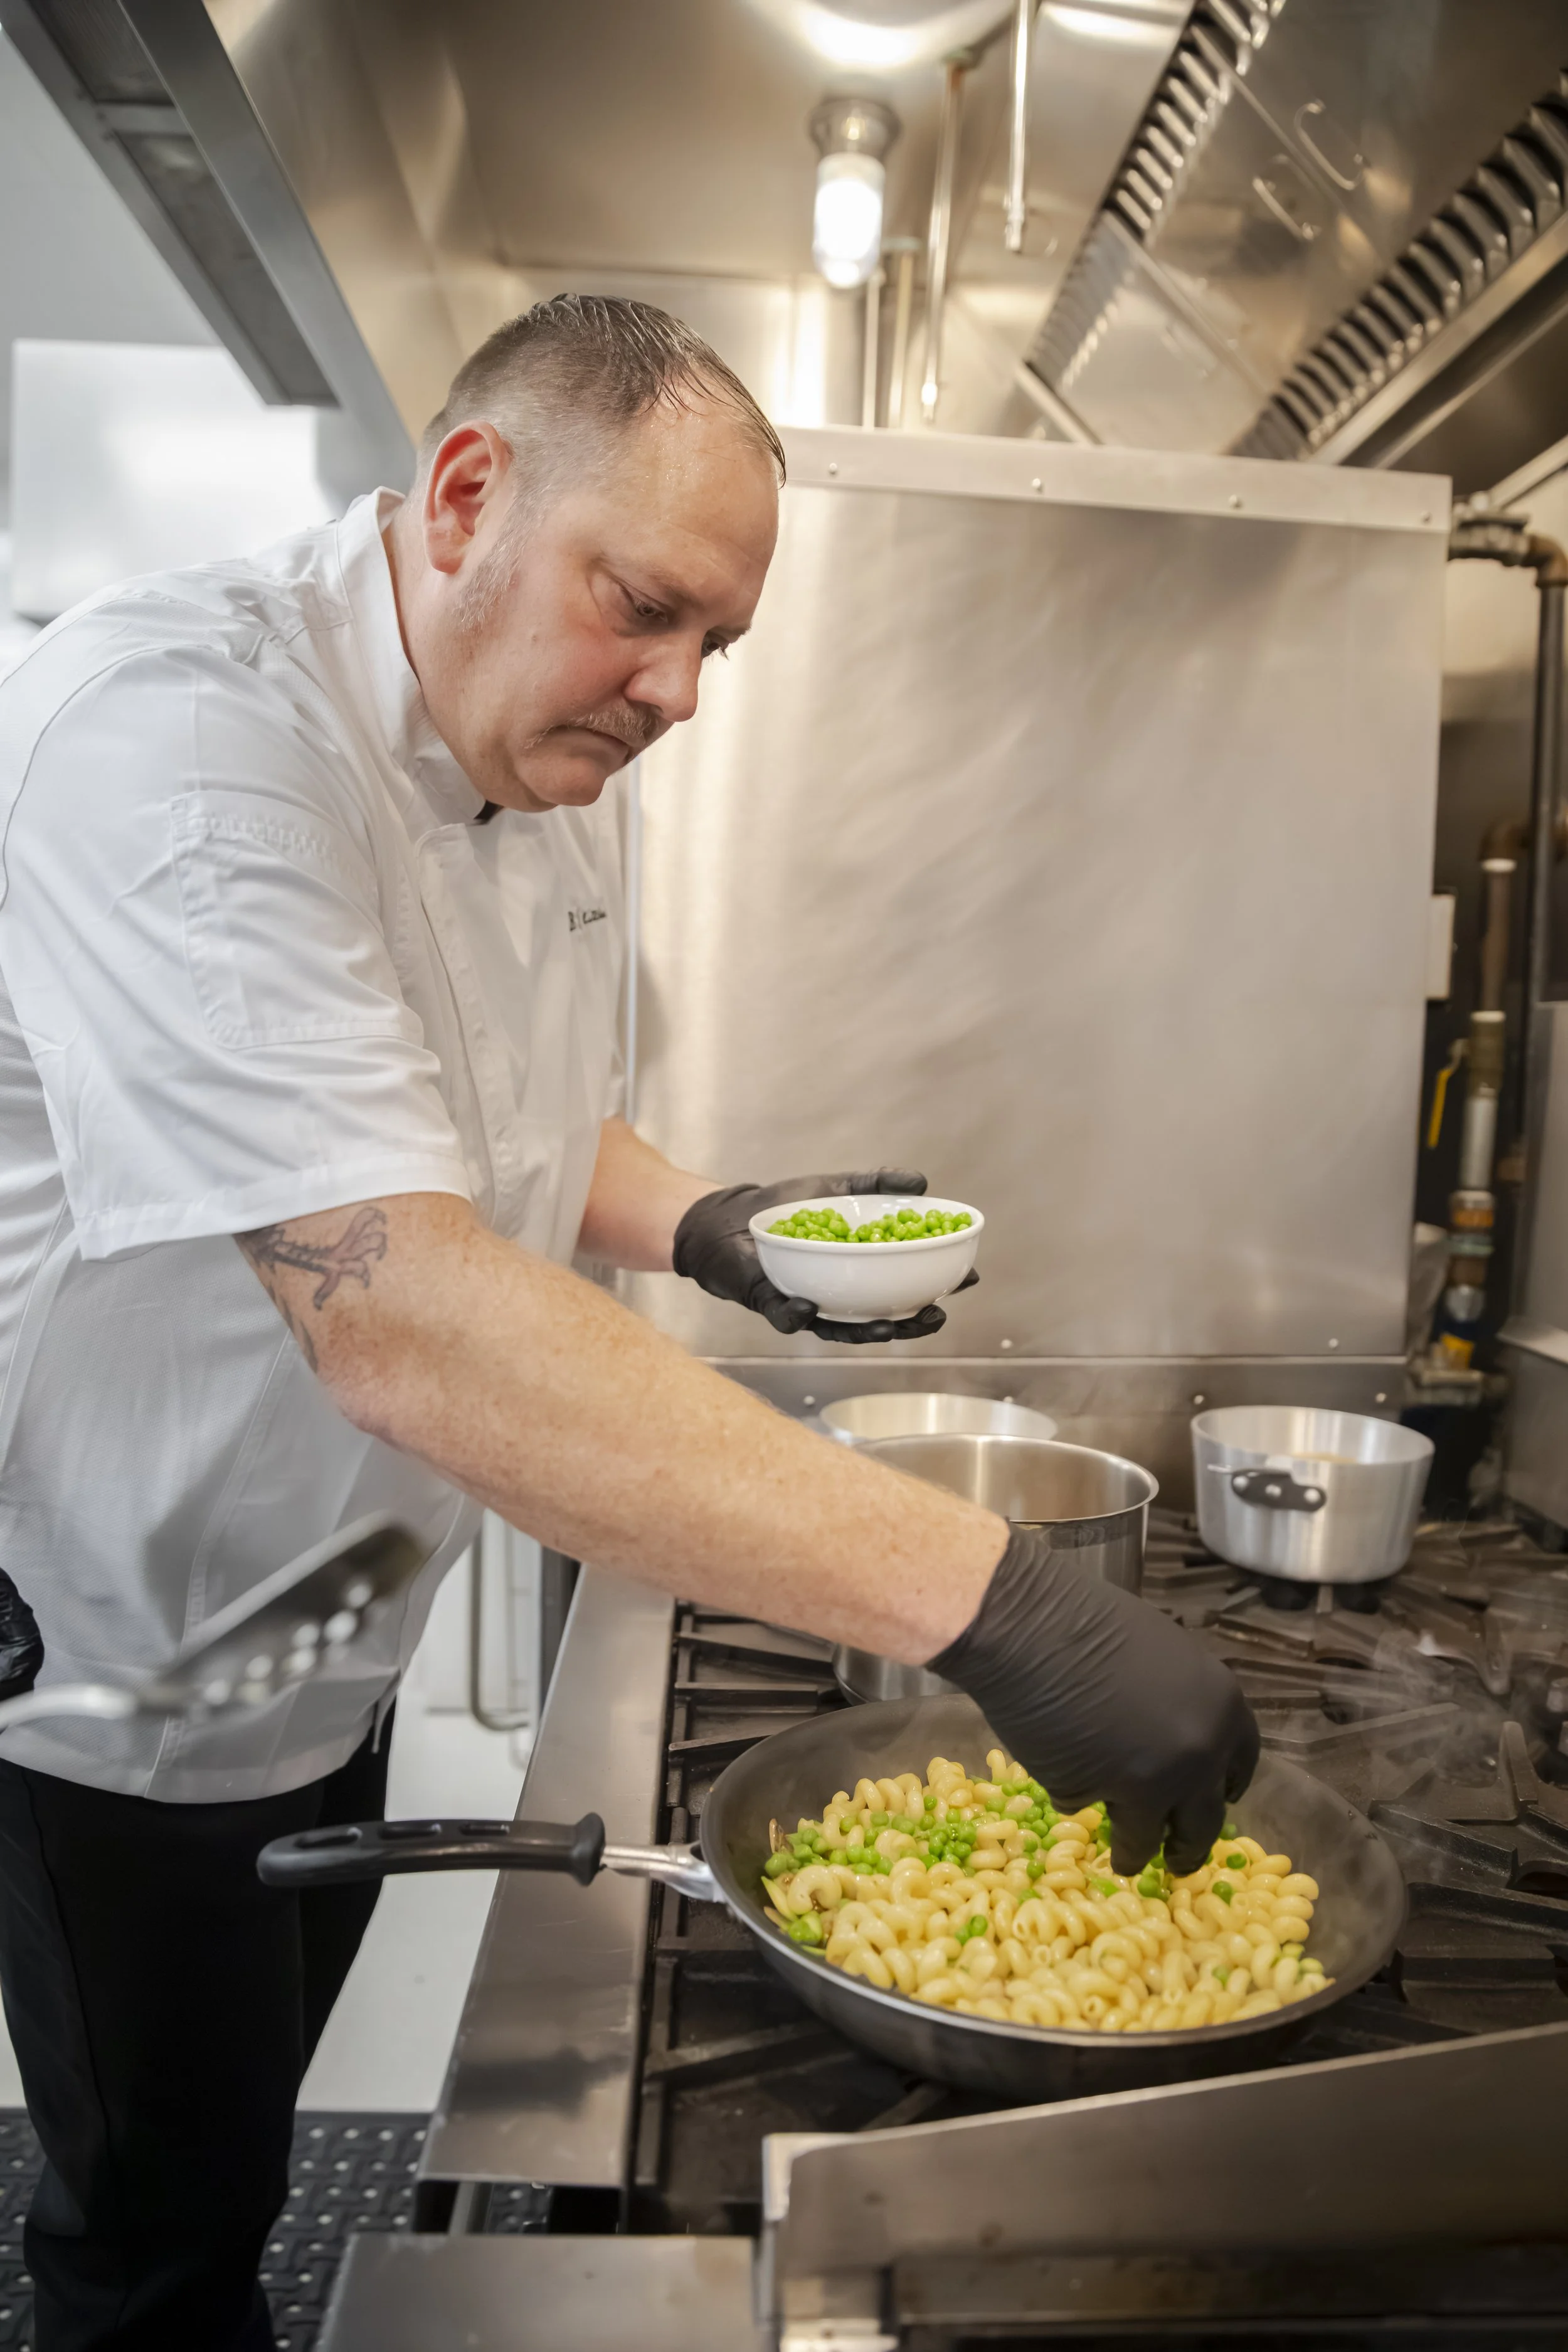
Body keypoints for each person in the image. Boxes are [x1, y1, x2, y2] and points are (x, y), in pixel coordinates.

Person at [0, 294, 1256, 2350]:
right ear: (466, 498)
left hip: (344, 1593)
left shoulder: (553, 737)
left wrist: (715, 1228)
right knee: (157, 2223)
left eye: (714, 645)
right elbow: (390, 1299)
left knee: (257, 2110)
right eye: (644, 607)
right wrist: (1001, 1605)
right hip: (128, 1646)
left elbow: (495, 1111)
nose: (675, 692)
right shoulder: (184, 745)